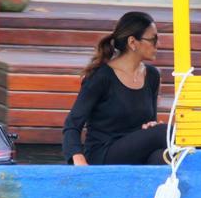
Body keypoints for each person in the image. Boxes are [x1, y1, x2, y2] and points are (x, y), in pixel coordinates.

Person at [62, 11, 167, 165]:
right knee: (164, 132)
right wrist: (78, 160)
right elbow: (72, 124)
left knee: (162, 158)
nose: (158, 44)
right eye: (153, 39)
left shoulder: (152, 76)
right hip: (103, 154)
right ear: (132, 42)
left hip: (134, 152)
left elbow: (150, 122)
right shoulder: (101, 77)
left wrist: (151, 125)